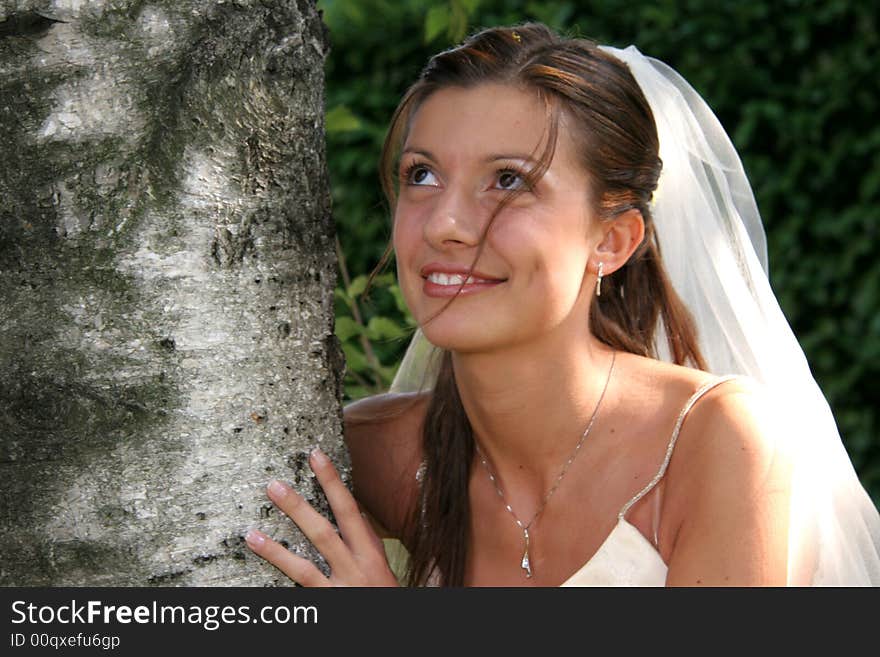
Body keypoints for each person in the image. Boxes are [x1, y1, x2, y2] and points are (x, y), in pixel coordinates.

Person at [244, 23, 880, 586]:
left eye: (510, 180)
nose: (446, 224)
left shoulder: (714, 442)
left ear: (612, 240)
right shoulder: (374, 451)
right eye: (422, 174)